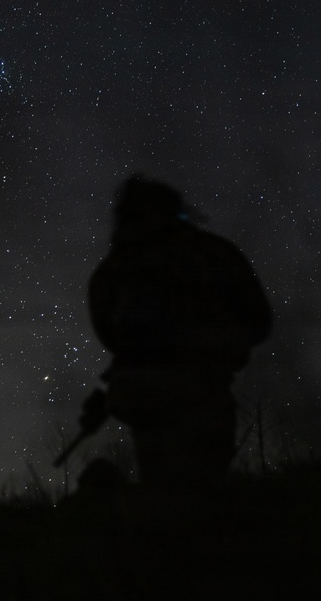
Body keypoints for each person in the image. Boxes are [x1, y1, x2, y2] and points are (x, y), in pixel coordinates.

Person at [88, 174, 272, 486]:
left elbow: (108, 334)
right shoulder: (211, 252)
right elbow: (258, 319)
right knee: (204, 485)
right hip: (200, 386)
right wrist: (221, 347)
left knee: (160, 482)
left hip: (139, 393)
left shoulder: (112, 269)